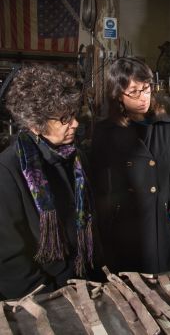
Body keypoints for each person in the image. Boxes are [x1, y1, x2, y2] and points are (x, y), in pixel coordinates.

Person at [0, 65, 102, 300]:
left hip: (88, 284)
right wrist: (53, 298)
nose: (75, 123)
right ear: (36, 122)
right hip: (45, 295)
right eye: (65, 118)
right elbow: (9, 260)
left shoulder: (76, 158)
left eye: (74, 115)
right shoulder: (8, 171)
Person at [90, 57, 170, 274]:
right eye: (134, 91)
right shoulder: (105, 132)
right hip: (125, 233)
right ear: (118, 94)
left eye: (146, 88)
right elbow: (98, 189)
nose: (143, 97)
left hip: (163, 230)